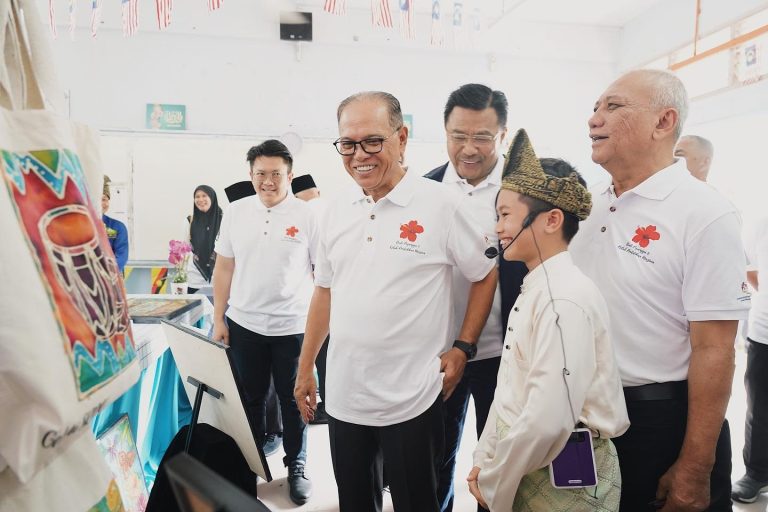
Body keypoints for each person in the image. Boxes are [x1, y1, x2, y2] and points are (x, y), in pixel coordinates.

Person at [293, 91, 498, 512]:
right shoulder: (333, 211)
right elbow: (325, 292)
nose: (359, 155)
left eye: (372, 141)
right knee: (355, 502)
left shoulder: (442, 204)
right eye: (347, 144)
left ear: (402, 137)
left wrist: (463, 347)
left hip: (414, 396)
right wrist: (306, 365)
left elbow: (484, 273)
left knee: (416, 502)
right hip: (346, 394)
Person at [571, 69, 750, 511]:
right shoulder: (588, 205)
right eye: (595, 107)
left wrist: (694, 466)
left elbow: (715, 349)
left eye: (613, 107)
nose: (595, 119)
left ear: (664, 122)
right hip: (584, 417)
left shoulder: (704, 214)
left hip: (659, 422)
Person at [468, 129, 629, 511]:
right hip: (523, 459)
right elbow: (510, 390)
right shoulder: (539, 287)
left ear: (552, 219)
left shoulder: (564, 299)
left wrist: (493, 480)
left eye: (506, 215)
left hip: (557, 472)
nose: (498, 228)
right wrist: (484, 456)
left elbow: (548, 420)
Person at [424, 83, 528, 512]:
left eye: (482, 137)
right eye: (458, 136)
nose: (469, 149)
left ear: (503, 135)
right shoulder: (424, 191)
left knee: (502, 466)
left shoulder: (524, 194)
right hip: (438, 354)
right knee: (434, 461)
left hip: (507, 354)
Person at [212, 139, 317, 505]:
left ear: (289, 175)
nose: (268, 181)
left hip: (293, 327)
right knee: (250, 400)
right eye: (261, 174)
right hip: (245, 325)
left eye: (276, 174)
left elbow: (323, 276)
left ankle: (297, 465)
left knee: (295, 401)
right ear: (250, 175)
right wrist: (218, 318)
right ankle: (249, 467)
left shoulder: (308, 215)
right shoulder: (237, 212)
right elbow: (224, 267)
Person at [732, 216, 768, 503]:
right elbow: (752, 271)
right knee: (759, 408)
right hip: (764, 331)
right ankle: (757, 472)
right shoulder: (760, 218)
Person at [291, 173, 331, 426]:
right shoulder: (332, 206)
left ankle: (322, 404)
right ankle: (329, 402)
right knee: (329, 355)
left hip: (318, 296)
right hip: (340, 296)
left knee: (319, 353)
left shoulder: (305, 212)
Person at [184, 185, 222, 295]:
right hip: (194, 279)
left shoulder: (224, 220)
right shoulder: (189, 221)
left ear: (212, 198)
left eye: (204, 196)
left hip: (219, 279)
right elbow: (184, 250)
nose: (200, 200)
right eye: (197, 196)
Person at [101, 175, 129, 273]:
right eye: (99, 199)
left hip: (113, 279)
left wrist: (106, 273)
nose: (102, 203)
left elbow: (122, 256)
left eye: (104, 199)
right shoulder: (80, 226)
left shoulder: (117, 227)